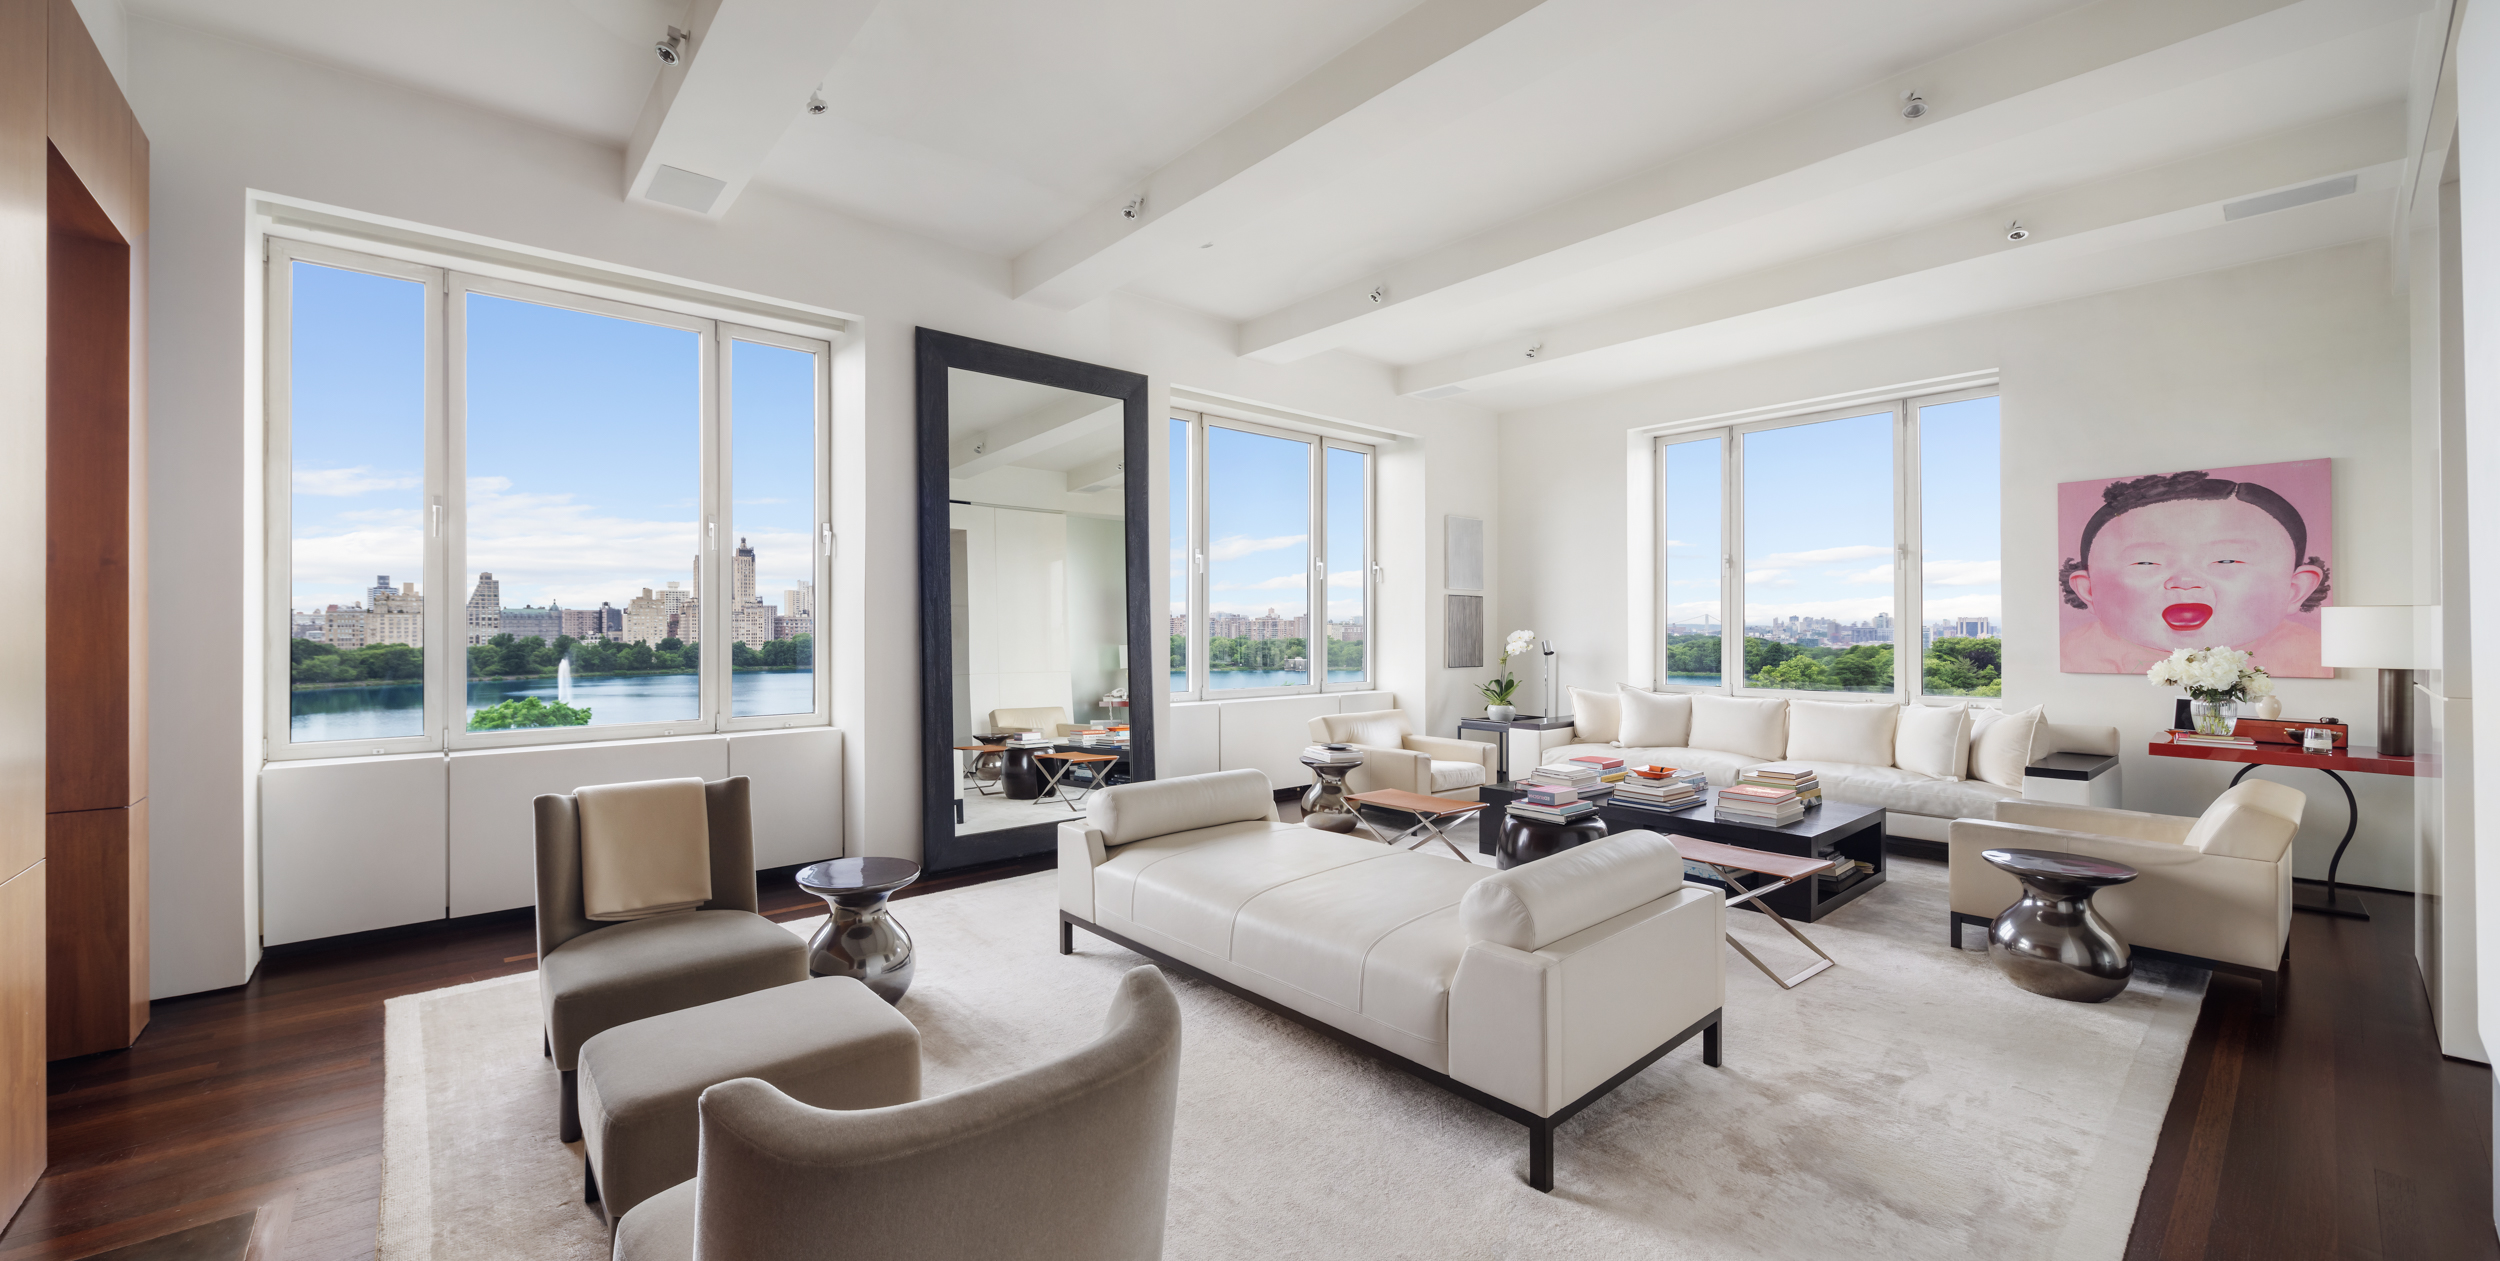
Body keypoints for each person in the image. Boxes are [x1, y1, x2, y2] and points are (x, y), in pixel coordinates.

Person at [2059, 470, 2330, 676]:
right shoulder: (2077, 655)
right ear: (2089, 590)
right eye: (2145, 563)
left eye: (2226, 560)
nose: (2185, 582)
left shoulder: (2308, 654)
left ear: (2295, 590)